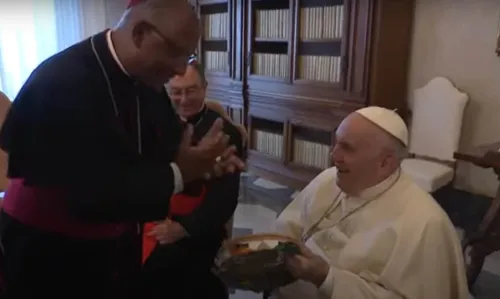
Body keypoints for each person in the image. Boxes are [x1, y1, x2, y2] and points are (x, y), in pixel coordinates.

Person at [0, 0, 244, 298]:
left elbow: (167, 142)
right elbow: (92, 195)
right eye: (176, 52)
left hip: (113, 244)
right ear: (140, 34)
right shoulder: (64, 82)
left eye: (188, 55)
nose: (181, 67)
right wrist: (182, 171)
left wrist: (205, 157)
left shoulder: (145, 78)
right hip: (51, 254)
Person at [273, 107, 469, 299]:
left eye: (347, 148)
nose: (333, 156)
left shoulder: (425, 222)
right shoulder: (327, 180)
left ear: (385, 162)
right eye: (336, 144)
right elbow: (284, 231)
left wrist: (326, 278)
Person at [137, 58, 243, 299]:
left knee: (159, 270)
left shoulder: (226, 133)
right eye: (176, 92)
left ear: (205, 87)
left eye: (191, 90)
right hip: (152, 218)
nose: (183, 100)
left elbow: (225, 198)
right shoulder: (153, 125)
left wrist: (182, 228)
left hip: (197, 228)